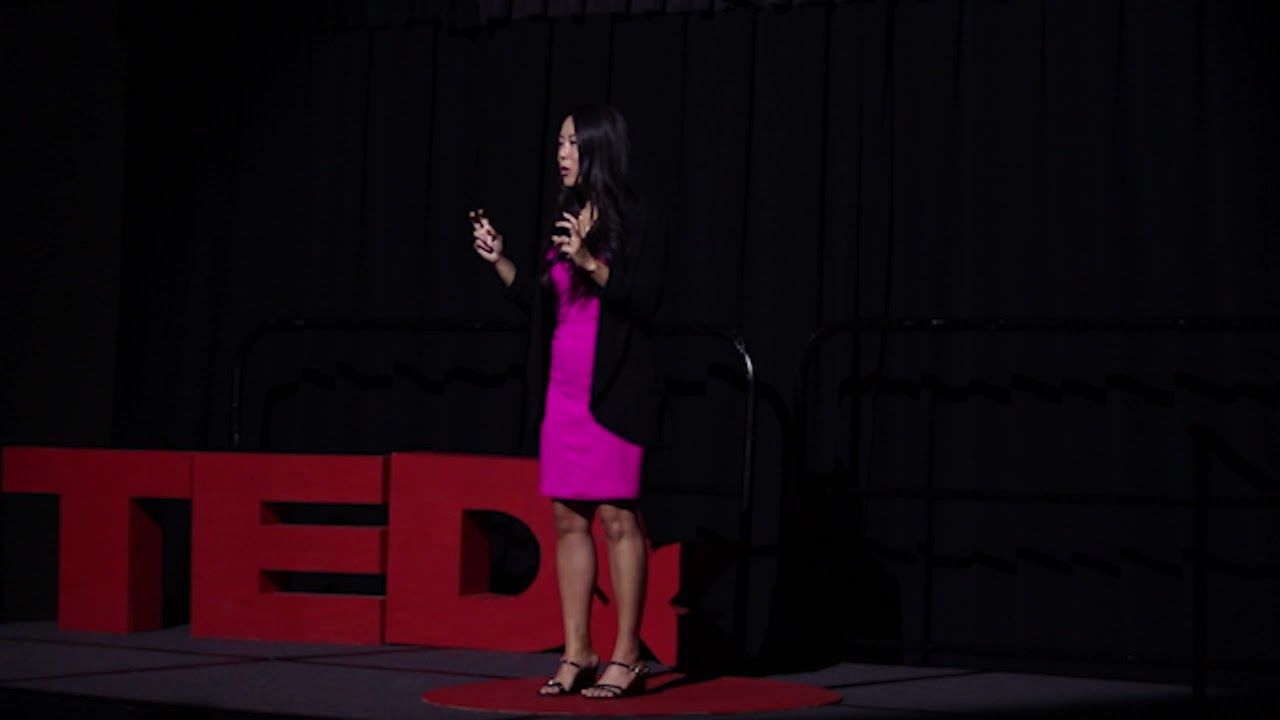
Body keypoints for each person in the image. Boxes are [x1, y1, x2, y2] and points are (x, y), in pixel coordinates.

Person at [469, 104, 667, 699]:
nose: (562, 153)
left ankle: (627, 656)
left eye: (573, 143)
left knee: (617, 517)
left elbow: (647, 301)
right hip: (563, 390)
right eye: (559, 142)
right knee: (567, 519)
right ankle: (577, 649)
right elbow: (545, 307)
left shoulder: (637, 216)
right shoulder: (562, 214)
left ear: (601, 148)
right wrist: (502, 261)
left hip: (617, 388)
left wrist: (589, 262)